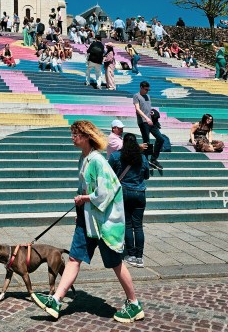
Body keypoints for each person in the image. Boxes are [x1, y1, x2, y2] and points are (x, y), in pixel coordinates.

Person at [31, 120, 144, 323]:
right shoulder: (82, 159)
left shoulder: (98, 161)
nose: (72, 137)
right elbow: (83, 187)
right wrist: (80, 206)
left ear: (86, 136)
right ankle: (56, 300)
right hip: (87, 219)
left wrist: (84, 199)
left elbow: (107, 190)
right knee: (74, 258)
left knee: (116, 263)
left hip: (104, 223)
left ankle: (134, 304)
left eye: (75, 134)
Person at [109, 133, 150, 269]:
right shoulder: (142, 157)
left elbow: (109, 175)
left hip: (124, 192)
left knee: (127, 224)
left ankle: (130, 254)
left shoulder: (116, 156)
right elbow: (146, 175)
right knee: (138, 226)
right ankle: (139, 256)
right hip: (140, 193)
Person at [133, 81, 164, 171]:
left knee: (160, 138)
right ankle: (145, 161)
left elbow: (147, 108)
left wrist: (152, 114)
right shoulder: (136, 96)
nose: (147, 91)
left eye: (148, 89)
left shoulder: (148, 96)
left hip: (151, 121)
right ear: (141, 87)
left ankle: (153, 159)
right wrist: (146, 118)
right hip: (143, 121)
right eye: (146, 89)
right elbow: (138, 109)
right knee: (146, 141)